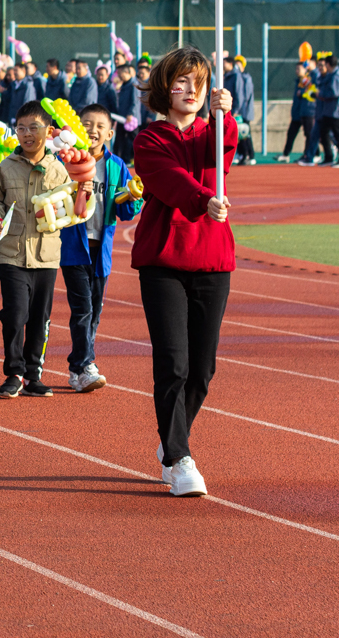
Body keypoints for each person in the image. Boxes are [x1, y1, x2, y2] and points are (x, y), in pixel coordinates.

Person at [131, 47, 236, 497]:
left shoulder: (212, 132)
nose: (190, 90)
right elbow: (169, 179)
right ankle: (178, 457)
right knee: (172, 362)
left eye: (199, 82)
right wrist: (201, 201)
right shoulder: (148, 138)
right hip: (163, 261)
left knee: (202, 369)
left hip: (213, 258)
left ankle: (172, 437)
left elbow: (222, 153)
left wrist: (224, 117)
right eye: (181, 81)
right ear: (163, 88)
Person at [0, 99, 69, 398]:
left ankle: (34, 375)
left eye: (34, 127)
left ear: (48, 130)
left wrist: (62, 214)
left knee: (39, 317)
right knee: (15, 314)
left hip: (46, 255)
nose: (27, 133)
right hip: (12, 253)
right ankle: (14, 372)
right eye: (21, 128)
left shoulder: (58, 169)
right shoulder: (7, 166)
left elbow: (70, 209)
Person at [60, 104, 142, 393]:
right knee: (82, 308)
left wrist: (135, 195)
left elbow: (127, 211)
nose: (92, 130)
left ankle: (76, 367)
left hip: (101, 251)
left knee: (94, 311)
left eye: (99, 126)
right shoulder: (66, 160)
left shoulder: (116, 166)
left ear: (110, 132)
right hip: (72, 248)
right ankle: (87, 365)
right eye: (86, 124)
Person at [301, 54, 338, 165]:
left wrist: (319, 93)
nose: (321, 67)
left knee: (335, 134)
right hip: (324, 112)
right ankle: (326, 157)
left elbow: (333, 92)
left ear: (328, 65)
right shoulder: (323, 77)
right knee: (321, 134)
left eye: (323, 65)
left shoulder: (335, 76)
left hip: (334, 111)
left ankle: (320, 155)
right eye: (319, 65)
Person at [279, 62, 316, 162]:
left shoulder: (309, 80)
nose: (297, 71)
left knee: (310, 134)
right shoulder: (298, 81)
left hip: (306, 112)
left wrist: (303, 92)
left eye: (299, 69)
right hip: (297, 113)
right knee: (291, 133)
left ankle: (311, 154)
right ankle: (286, 154)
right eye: (296, 69)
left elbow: (312, 92)